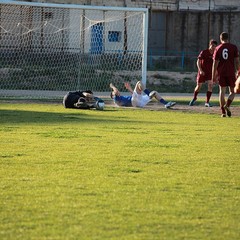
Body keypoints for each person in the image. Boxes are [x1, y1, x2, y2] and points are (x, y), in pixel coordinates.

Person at [212, 32, 239, 117]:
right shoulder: (233, 47)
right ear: (228, 38)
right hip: (231, 72)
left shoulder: (217, 48)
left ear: (220, 39)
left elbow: (215, 63)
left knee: (222, 92)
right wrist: (238, 71)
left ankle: (223, 112)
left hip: (221, 73)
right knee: (233, 91)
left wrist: (213, 76)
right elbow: (237, 61)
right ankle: (227, 105)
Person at [189, 39, 218, 107]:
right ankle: (194, 98)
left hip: (210, 72)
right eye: (212, 45)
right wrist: (200, 70)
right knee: (199, 86)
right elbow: (198, 61)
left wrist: (216, 74)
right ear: (209, 45)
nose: (213, 47)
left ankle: (207, 102)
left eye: (215, 46)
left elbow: (217, 64)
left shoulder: (215, 53)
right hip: (202, 72)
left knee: (210, 85)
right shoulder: (204, 52)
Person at [110, 81, 176, 108]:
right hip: (134, 102)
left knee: (154, 93)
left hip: (140, 101)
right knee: (139, 82)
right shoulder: (116, 99)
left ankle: (166, 104)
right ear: (113, 96)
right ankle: (148, 93)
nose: (117, 91)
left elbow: (134, 96)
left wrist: (130, 89)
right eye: (114, 92)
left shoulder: (119, 98)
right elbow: (115, 91)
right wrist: (112, 86)